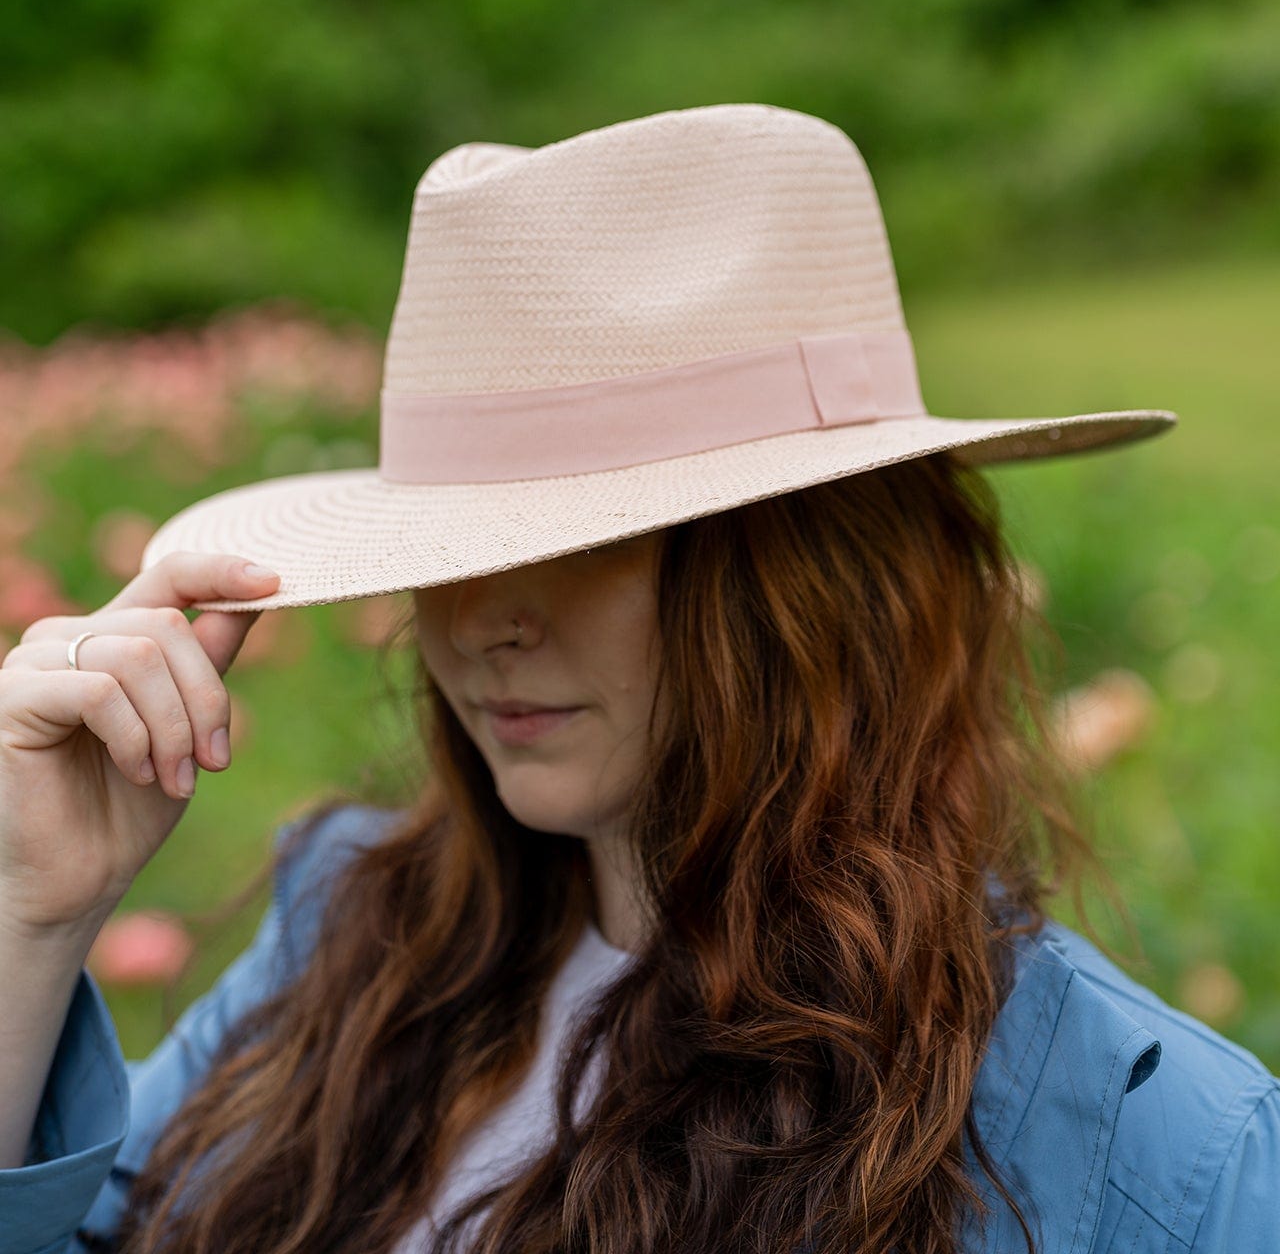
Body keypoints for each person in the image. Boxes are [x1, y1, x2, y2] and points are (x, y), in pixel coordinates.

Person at [0, 103, 1275, 1254]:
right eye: (448, 551)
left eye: (586, 543)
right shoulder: (346, 941)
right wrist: (31, 918)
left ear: (818, 571)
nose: (482, 621)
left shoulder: (1144, 1151)